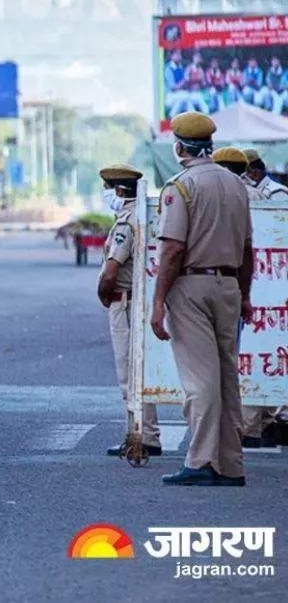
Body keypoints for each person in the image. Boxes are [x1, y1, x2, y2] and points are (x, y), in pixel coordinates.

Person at [151, 112, 253, 486]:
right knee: (227, 377)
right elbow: (248, 249)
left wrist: (158, 301)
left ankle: (201, 461)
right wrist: (244, 295)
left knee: (200, 380)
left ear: (180, 148)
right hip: (229, 286)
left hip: (192, 286)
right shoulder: (235, 184)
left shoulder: (181, 187)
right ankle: (231, 465)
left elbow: (173, 250)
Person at [215, 147, 282, 448]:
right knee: (255, 352)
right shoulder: (253, 194)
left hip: (241, 283)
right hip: (263, 284)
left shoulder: (230, 196)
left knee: (240, 356)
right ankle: (255, 423)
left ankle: (248, 425)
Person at [96, 163, 162, 458]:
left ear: (120, 191)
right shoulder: (140, 215)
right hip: (136, 300)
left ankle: (141, 436)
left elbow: (112, 270)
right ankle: (147, 434)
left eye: (108, 190)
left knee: (129, 373)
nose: (107, 195)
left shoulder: (127, 221)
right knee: (139, 370)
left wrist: (103, 292)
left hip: (124, 303)